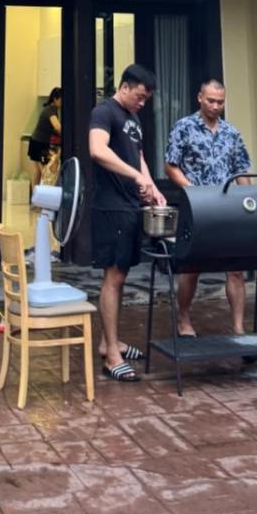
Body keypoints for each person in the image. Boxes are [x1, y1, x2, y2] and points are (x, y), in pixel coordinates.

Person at [88, 63, 165, 382]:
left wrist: (152, 187)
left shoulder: (133, 118)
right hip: (111, 207)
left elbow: (139, 157)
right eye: (140, 96)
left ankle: (110, 342)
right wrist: (135, 176)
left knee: (121, 276)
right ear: (124, 87)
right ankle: (112, 357)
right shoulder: (104, 112)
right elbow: (97, 150)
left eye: (147, 99)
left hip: (131, 205)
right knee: (113, 277)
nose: (142, 103)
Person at [164, 79, 251, 337]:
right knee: (192, 267)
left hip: (228, 208)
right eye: (211, 101)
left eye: (220, 102)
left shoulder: (231, 133)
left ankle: (238, 327)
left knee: (236, 268)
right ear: (200, 97)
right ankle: (183, 319)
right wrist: (192, 191)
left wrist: (250, 202)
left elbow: (241, 170)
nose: (215, 106)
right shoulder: (184, 127)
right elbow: (170, 166)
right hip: (196, 207)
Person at [27, 88, 62, 186]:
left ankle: (36, 193)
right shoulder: (51, 110)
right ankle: (42, 192)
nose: (62, 102)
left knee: (38, 171)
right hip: (39, 143)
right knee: (44, 170)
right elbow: (57, 127)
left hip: (36, 141)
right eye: (61, 99)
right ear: (55, 99)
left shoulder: (50, 109)